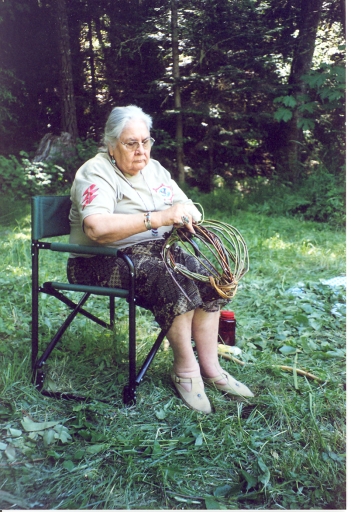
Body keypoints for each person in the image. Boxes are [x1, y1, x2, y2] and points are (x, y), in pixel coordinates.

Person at [67, 105, 254, 414]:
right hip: (99, 261)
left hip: (153, 253)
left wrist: (187, 213)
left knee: (207, 277)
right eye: (131, 143)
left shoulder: (154, 170)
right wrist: (159, 218)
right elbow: (95, 228)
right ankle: (185, 370)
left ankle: (211, 368)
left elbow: (181, 201)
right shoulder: (95, 172)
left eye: (146, 141)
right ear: (111, 145)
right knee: (169, 278)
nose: (141, 151)